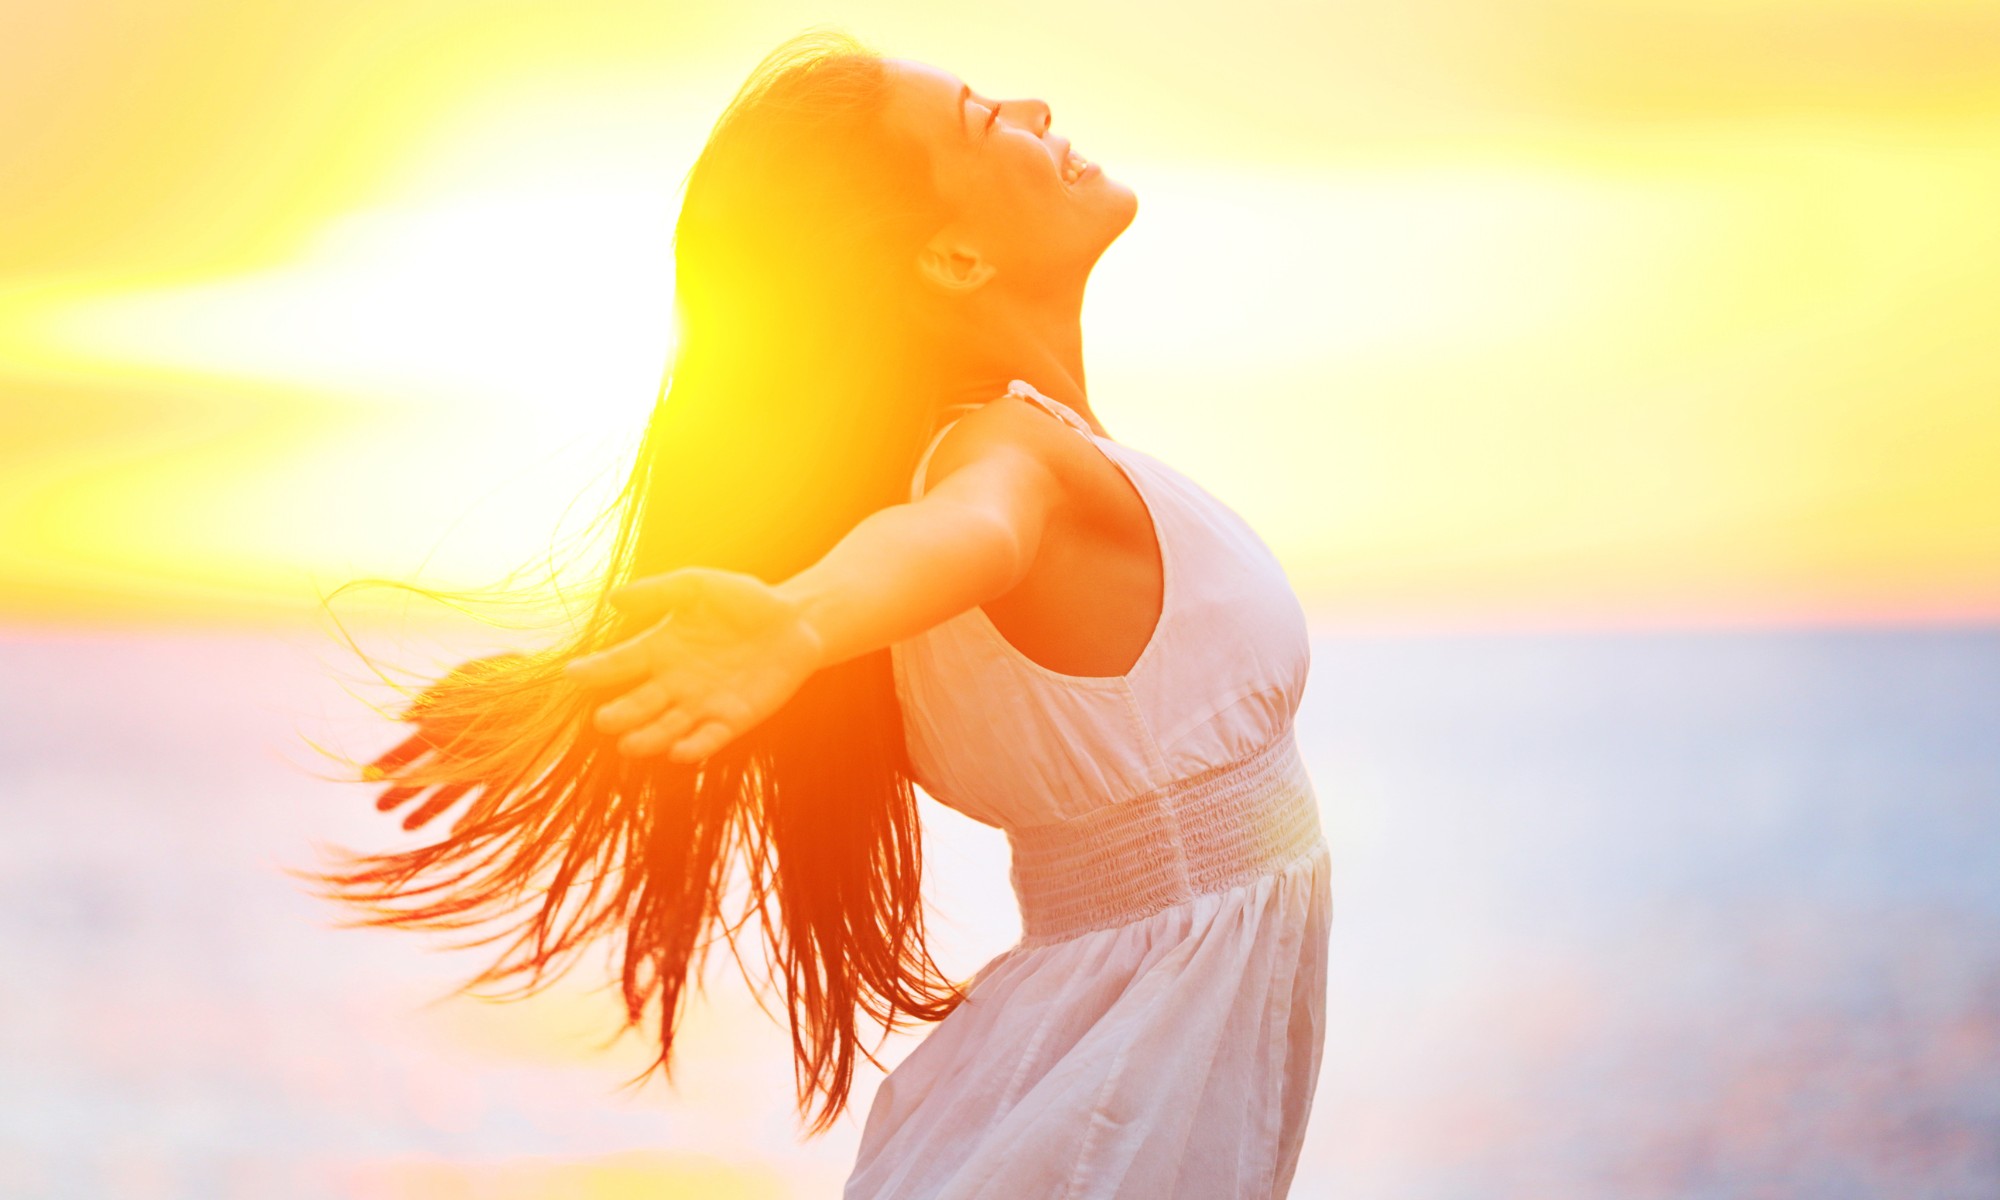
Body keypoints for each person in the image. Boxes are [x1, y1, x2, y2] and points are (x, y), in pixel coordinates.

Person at [321, 27, 1331, 1198]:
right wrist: (797, 623)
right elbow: (968, 533)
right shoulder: (1006, 462)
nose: (1035, 104)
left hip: (1090, 1077)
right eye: (983, 120)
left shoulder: (993, 464)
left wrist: (591, 702)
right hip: (1101, 1106)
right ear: (951, 256)